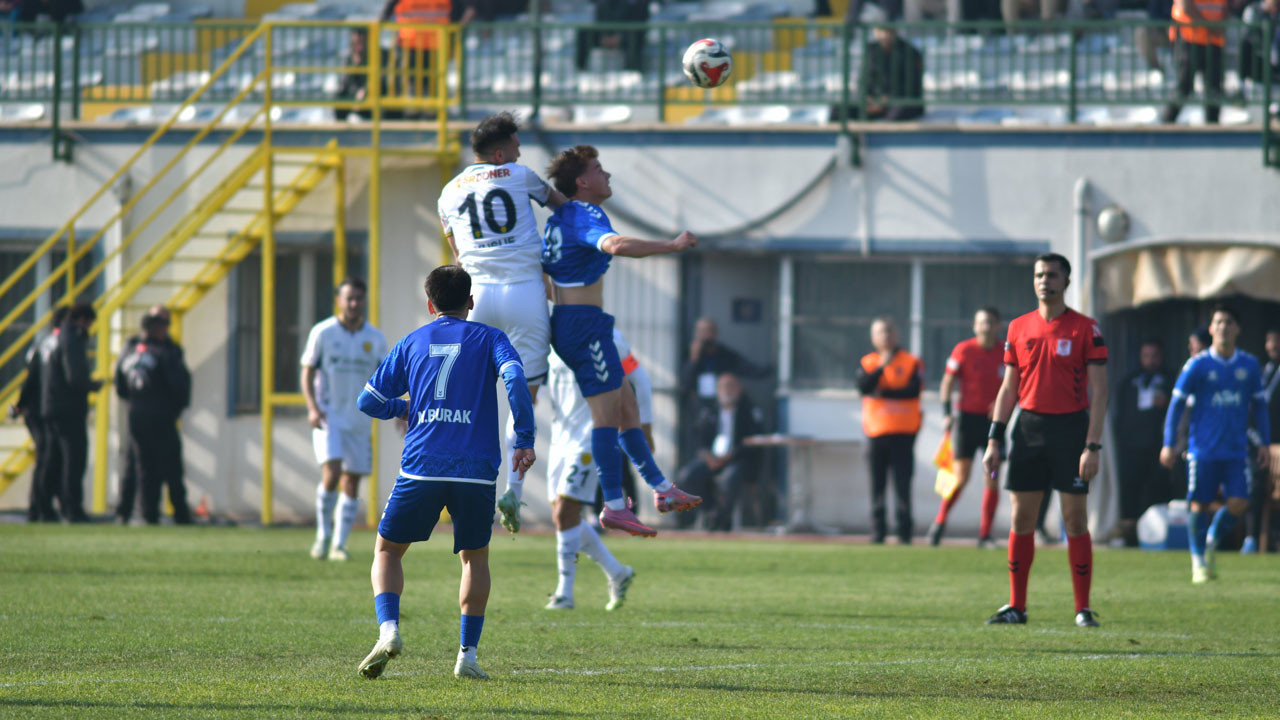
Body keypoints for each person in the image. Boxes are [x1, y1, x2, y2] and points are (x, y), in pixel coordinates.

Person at [355, 265, 535, 681]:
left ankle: (389, 629)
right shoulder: (491, 338)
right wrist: (524, 438)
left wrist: (403, 408)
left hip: (423, 464)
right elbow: (514, 377)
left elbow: (368, 401)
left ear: (430, 304)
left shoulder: (412, 341)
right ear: (470, 302)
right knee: (475, 558)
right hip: (476, 470)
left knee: (387, 551)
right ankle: (467, 656)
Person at [542, 144, 702, 537]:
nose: (607, 174)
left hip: (579, 323)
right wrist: (671, 246)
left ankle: (661, 489)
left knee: (628, 406)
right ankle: (613, 505)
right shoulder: (585, 213)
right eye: (598, 168)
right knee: (607, 416)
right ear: (582, 182)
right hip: (583, 326)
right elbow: (614, 245)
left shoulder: (561, 216)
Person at [437, 111, 568, 533]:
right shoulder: (519, 175)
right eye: (515, 147)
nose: (519, 154)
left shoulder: (448, 193)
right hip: (525, 292)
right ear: (499, 154)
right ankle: (514, 488)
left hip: (478, 297)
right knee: (523, 395)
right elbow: (564, 209)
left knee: (467, 395)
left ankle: (455, 481)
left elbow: (458, 256)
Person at [984, 253, 1108, 628]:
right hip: (1029, 429)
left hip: (1071, 430)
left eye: (1052, 275)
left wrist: (1092, 445)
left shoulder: (1086, 329)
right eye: (1039, 275)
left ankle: (1082, 608)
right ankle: (1016, 606)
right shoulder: (1018, 327)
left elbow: (1100, 392)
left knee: (1074, 519)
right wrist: (994, 439)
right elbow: (1009, 388)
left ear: (1065, 282)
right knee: (1021, 517)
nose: (1044, 281)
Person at [1160, 306, 1271, 582]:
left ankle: (1211, 538)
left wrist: (1265, 443)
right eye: (1218, 322)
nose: (1223, 327)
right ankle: (1198, 562)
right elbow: (1176, 405)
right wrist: (1169, 443)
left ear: (1237, 329)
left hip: (1236, 450)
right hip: (1203, 449)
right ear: (1211, 328)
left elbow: (1260, 406)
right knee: (1199, 505)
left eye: (1229, 322)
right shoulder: (1197, 365)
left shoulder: (1249, 365)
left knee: (1239, 503)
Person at [302, 278, 390, 562]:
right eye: (348, 298)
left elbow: (387, 376)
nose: (353, 304)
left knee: (351, 481)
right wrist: (312, 408)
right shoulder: (323, 332)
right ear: (339, 300)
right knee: (332, 473)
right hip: (328, 414)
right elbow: (307, 370)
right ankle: (322, 536)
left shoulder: (375, 338)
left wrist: (399, 409)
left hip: (360, 418)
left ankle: (339, 545)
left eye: (358, 299)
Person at [543, 348, 637, 611]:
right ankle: (617, 572)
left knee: (565, 512)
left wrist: (639, 427)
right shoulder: (547, 339)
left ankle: (565, 593)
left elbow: (635, 379)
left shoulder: (605, 337)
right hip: (560, 439)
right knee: (565, 517)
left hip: (589, 437)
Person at [930, 307, 1005, 548]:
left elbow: (1017, 384)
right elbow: (947, 382)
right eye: (982, 322)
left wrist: (1004, 405)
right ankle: (940, 521)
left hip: (994, 424)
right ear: (974, 326)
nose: (986, 327)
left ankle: (985, 534)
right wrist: (947, 412)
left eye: (991, 322)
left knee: (992, 477)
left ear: (998, 325)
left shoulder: (1005, 352)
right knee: (960, 477)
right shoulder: (963, 349)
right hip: (967, 421)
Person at [113, 306, 193, 525]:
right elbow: (179, 385)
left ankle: (127, 512)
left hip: (136, 414)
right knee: (163, 467)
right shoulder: (165, 352)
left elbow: (120, 385)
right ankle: (160, 514)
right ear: (157, 328)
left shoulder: (129, 350)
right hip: (160, 416)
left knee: (136, 466)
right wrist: (175, 408)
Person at [855, 317, 923, 544]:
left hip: (904, 433)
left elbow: (913, 391)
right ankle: (877, 532)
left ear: (896, 334)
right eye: (880, 332)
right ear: (873, 337)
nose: (885, 336)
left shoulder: (911, 361)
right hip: (876, 432)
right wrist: (882, 367)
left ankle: (904, 532)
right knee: (877, 486)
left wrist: (883, 393)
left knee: (903, 485)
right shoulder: (868, 362)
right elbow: (864, 387)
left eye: (889, 331)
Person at [677, 373, 768, 532]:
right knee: (687, 476)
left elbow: (753, 442)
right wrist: (708, 456)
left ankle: (725, 519)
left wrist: (730, 456)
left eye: (731, 386)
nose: (727, 391)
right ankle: (710, 511)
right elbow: (699, 439)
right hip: (712, 460)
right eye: (723, 387)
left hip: (738, 460)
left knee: (729, 479)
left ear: (739, 389)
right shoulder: (709, 411)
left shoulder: (749, 411)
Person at [38, 301, 100, 523]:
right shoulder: (71, 338)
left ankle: (42, 508)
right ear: (83, 319)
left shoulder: (52, 339)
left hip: (50, 406)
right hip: (68, 408)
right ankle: (72, 509)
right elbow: (74, 376)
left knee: (51, 460)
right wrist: (92, 385)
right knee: (74, 460)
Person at [1112, 339, 1173, 547]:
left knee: (1157, 493)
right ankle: (1129, 537)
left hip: (1158, 449)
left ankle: (1158, 537)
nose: (1150, 360)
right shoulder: (1130, 381)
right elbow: (1120, 415)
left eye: (1154, 356)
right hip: (1131, 449)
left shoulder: (1171, 381)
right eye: (1146, 356)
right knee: (1130, 493)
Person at [12, 306, 67, 522]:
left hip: (39, 408)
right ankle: (39, 508)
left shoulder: (44, 344)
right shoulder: (50, 344)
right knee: (47, 457)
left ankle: (42, 507)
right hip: (36, 410)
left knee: (49, 458)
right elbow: (31, 378)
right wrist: (20, 404)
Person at [834, 20, 925, 123]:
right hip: (874, 102)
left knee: (896, 113)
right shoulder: (870, 50)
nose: (884, 35)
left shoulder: (910, 52)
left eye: (888, 31)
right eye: (881, 31)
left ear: (895, 32)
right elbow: (863, 81)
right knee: (838, 110)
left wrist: (887, 100)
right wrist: (867, 98)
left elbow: (912, 86)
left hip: (900, 102)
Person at [1161, 0, 1227, 124]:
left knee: (1214, 90)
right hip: (1189, 37)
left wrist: (1221, 24)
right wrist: (1210, 26)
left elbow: (1227, 5)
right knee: (1183, 87)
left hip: (1214, 40)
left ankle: (1213, 130)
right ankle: (1165, 126)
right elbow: (1185, 5)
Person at [1247, 327, 1280, 553]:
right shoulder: (1262, 372)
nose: (1273, 346)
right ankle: (1251, 538)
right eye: (1270, 341)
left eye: (1277, 341)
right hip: (1260, 444)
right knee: (1254, 484)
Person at [575, 0, 649, 73]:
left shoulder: (635, 4)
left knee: (634, 37)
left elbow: (638, 20)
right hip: (604, 33)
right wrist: (603, 37)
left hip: (626, 34)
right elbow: (600, 18)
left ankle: (632, 71)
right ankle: (580, 70)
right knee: (584, 33)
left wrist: (620, 37)